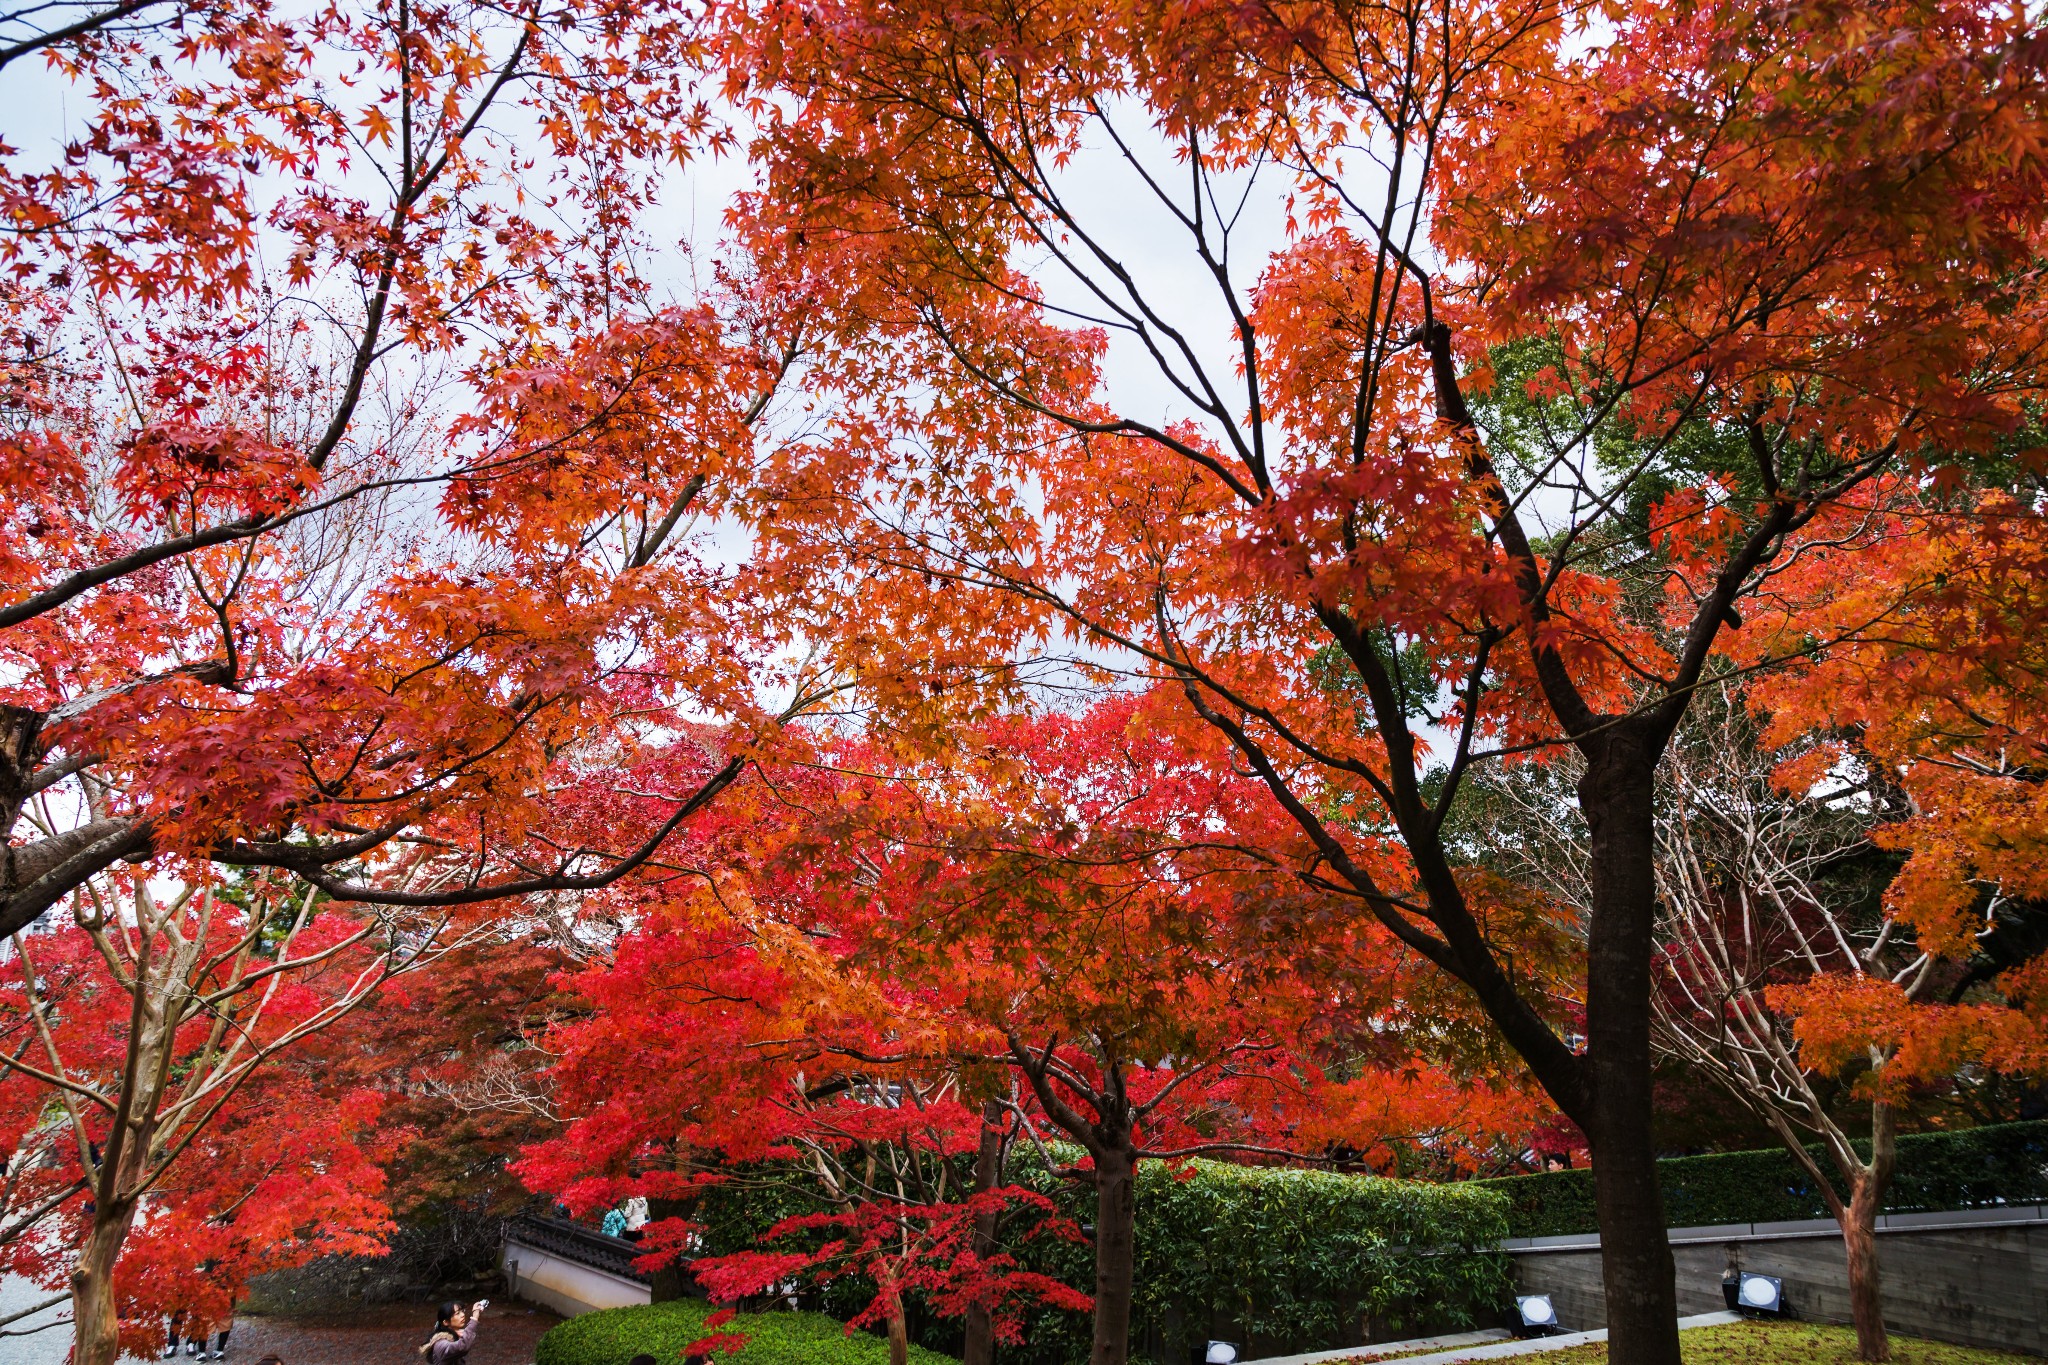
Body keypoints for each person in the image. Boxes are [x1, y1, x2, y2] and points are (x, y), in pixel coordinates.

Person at [418, 1300, 487, 1365]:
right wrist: (474, 1318)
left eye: (462, 1311)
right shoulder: (440, 1343)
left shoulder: (456, 1335)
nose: (462, 1315)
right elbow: (463, 1346)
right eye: (457, 1313)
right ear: (446, 1322)